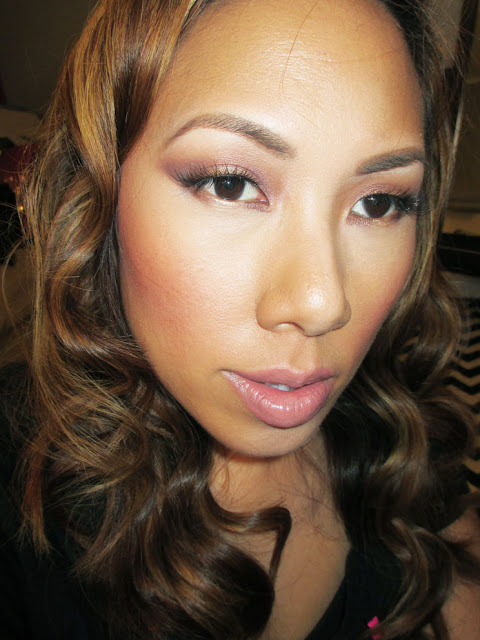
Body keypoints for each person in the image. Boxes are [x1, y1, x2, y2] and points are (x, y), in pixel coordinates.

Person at [0, 0, 479, 638]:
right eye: (230, 184)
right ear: (98, 193)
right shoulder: (21, 495)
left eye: (379, 202)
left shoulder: (406, 439)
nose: (322, 304)